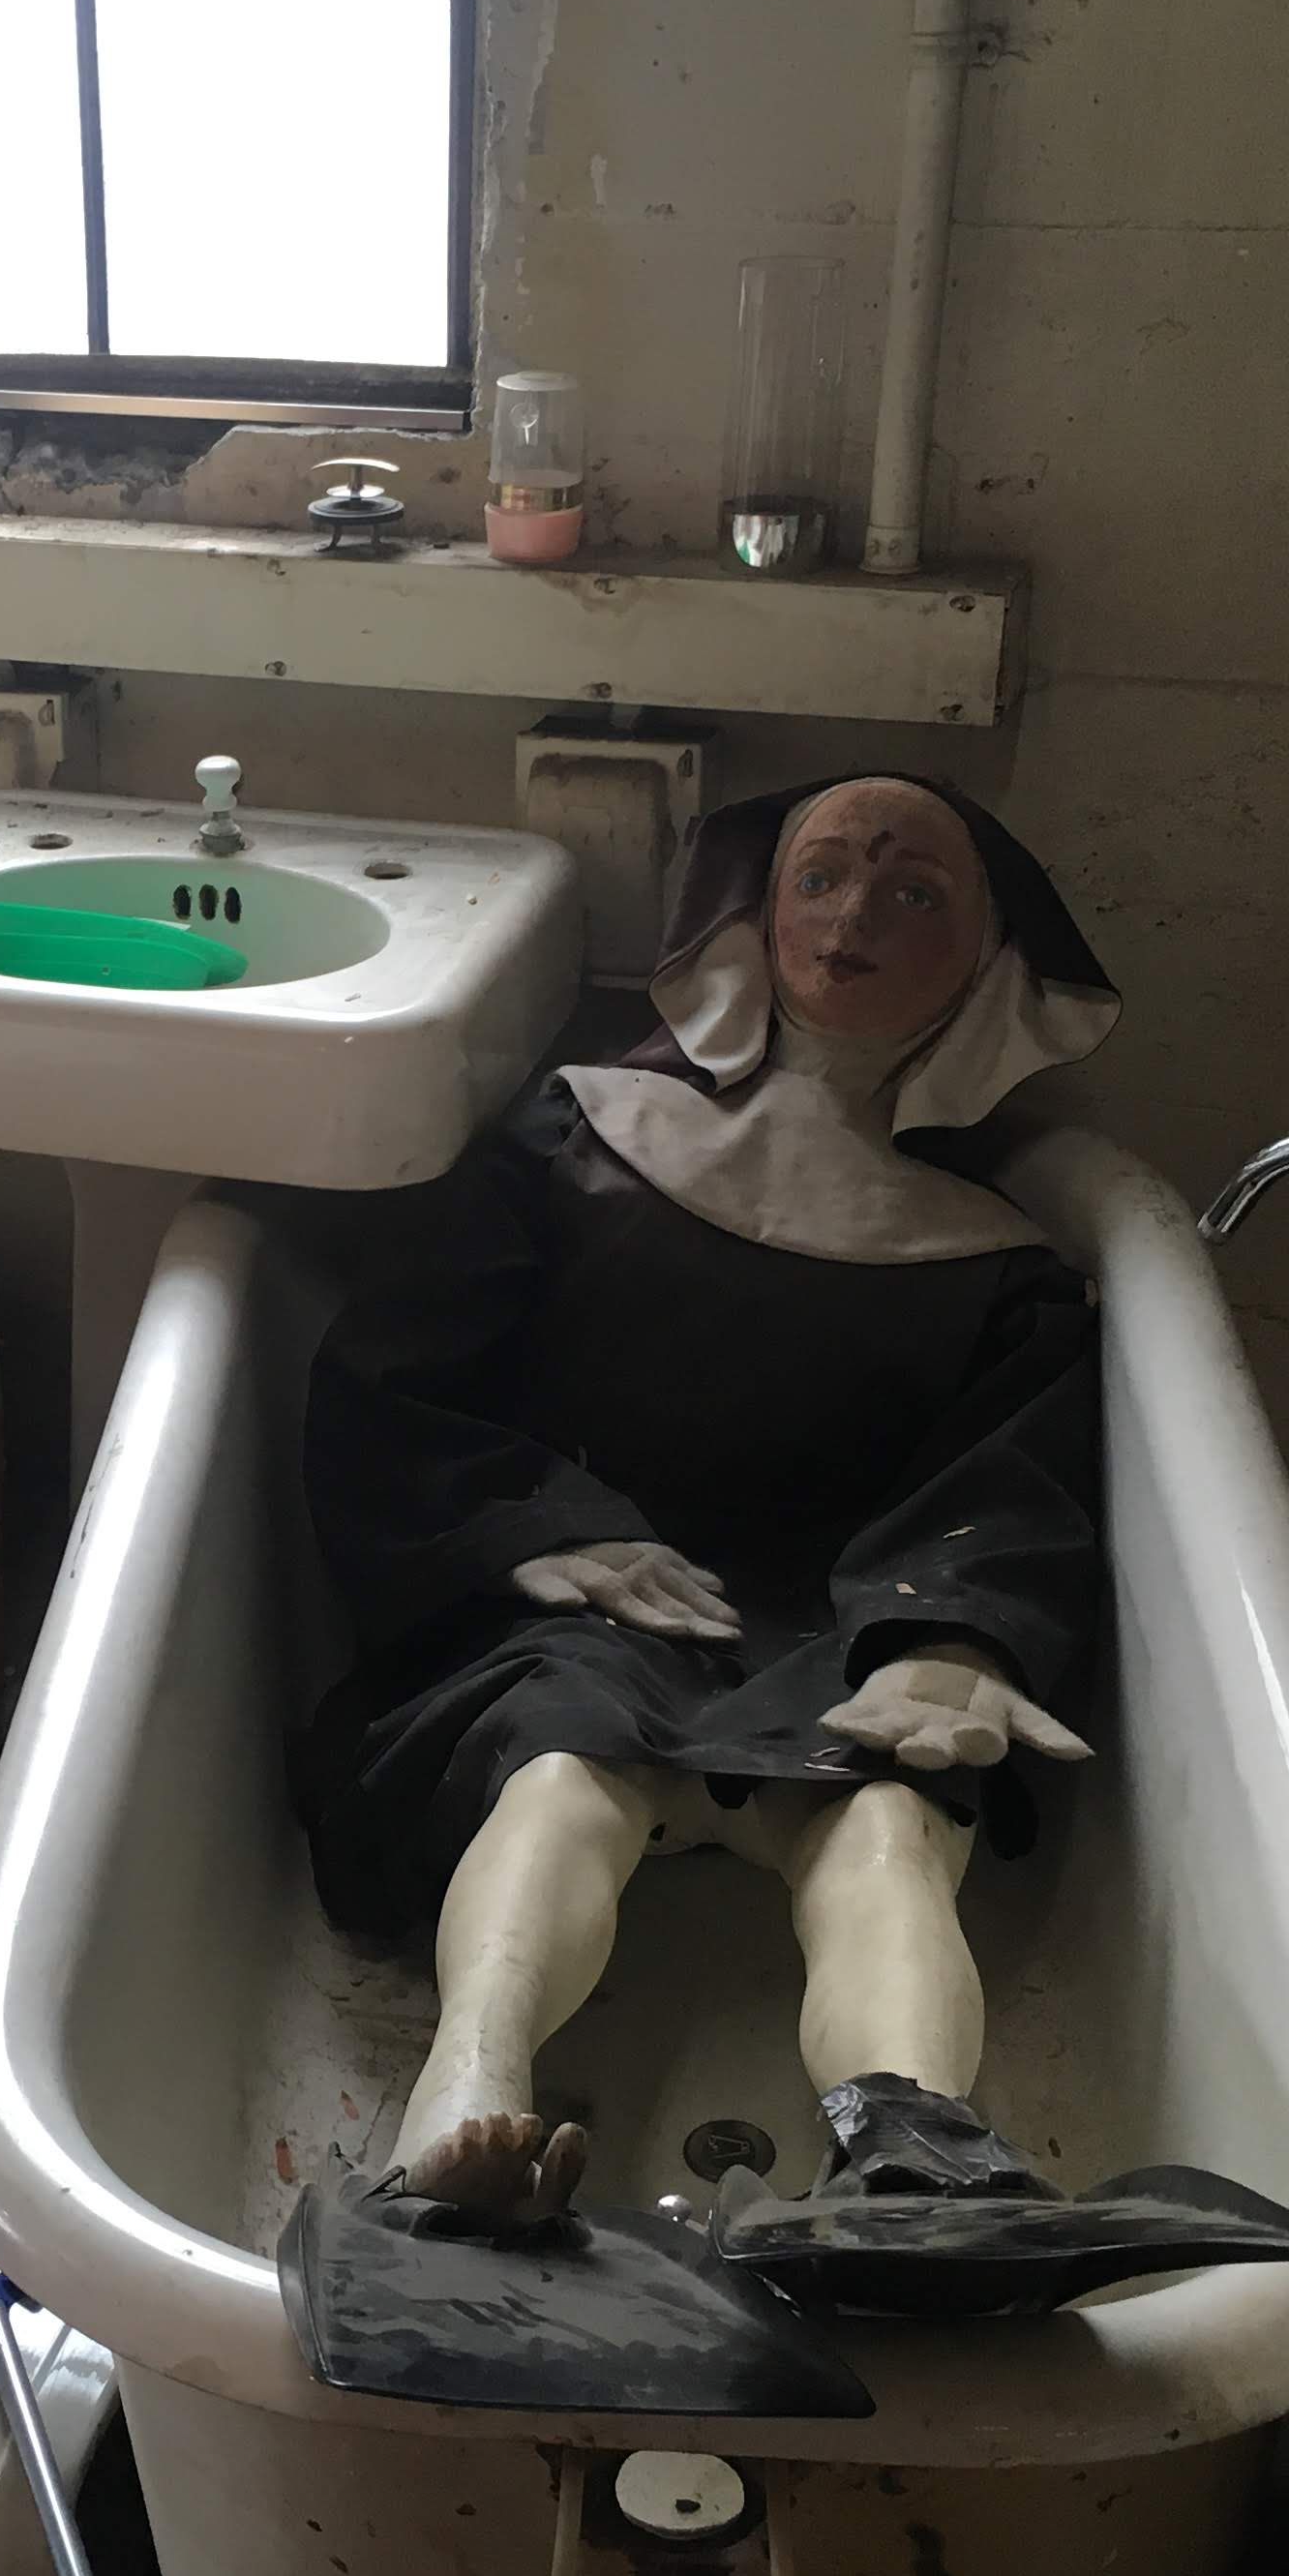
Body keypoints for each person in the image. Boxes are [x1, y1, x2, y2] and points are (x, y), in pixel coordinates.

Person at [300, 772, 1119, 2249]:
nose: (856, 919)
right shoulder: (580, 1139)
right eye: (823, 877)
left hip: (834, 1623)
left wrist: (947, 1640)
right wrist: (547, 1527)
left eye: (915, 894)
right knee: (561, 1776)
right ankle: (461, 2102)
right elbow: (402, 1373)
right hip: (592, 1606)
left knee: (885, 1819)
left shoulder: (1001, 1267)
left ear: (989, 966)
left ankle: (916, 2160)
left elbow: (1001, 1491)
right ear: (756, 915)